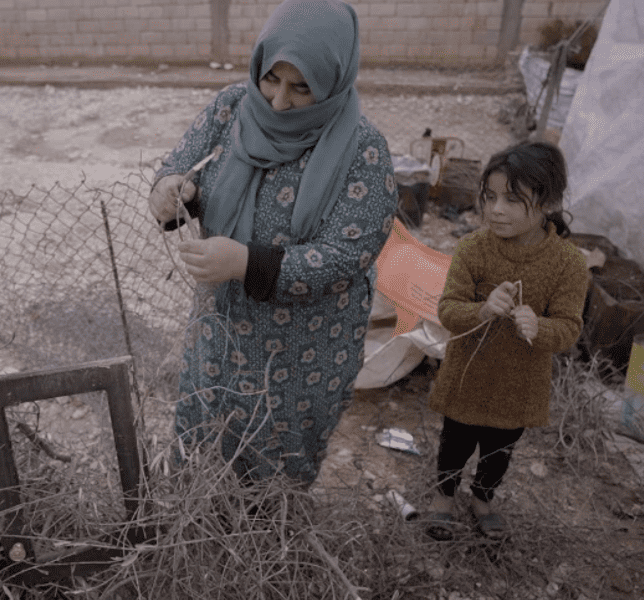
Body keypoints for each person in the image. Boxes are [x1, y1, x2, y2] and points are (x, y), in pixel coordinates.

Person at [146, 0, 397, 487]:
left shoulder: (364, 149)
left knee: (274, 472)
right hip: (220, 332)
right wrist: (172, 193)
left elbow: (347, 255)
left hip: (303, 353)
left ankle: (263, 549)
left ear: (334, 78)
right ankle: (199, 537)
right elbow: (178, 169)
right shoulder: (231, 107)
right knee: (203, 451)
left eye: (302, 87)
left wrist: (243, 261)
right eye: (270, 79)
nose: (279, 102)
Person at [419, 140, 589, 540]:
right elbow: (448, 310)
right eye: (490, 197)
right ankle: (444, 496)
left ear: (548, 203)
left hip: (518, 386)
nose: (496, 209)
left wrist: (539, 327)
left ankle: (482, 498)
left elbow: (569, 327)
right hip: (467, 376)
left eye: (513, 200)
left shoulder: (568, 263)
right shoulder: (473, 249)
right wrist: (481, 310)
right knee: (454, 443)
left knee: (499, 450)